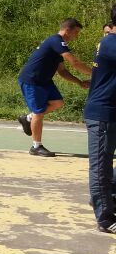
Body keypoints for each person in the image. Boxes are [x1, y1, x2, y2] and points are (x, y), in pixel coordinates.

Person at [17, 18, 92, 157]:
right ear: (67, 30)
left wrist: (79, 82)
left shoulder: (57, 46)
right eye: (76, 32)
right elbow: (74, 63)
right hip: (32, 81)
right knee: (39, 113)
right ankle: (36, 146)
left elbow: (62, 71)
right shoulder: (56, 41)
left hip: (44, 81)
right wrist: (96, 73)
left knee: (58, 103)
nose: (77, 36)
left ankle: (28, 118)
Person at [85, 10, 116, 233]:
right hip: (102, 114)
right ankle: (105, 217)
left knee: (104, 170)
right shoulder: (110, 43)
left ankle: (109, 195)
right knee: (100, 167)